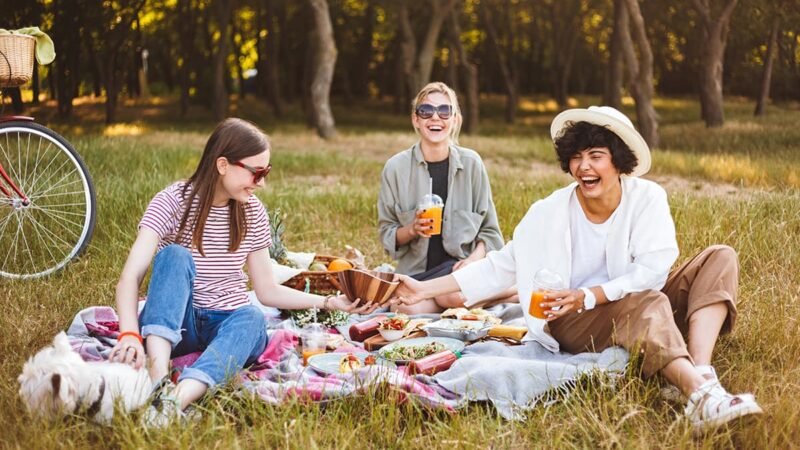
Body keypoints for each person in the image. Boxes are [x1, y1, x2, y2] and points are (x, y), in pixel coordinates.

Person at [393, 106, 762, 432]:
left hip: (627, 302)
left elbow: (654, 268)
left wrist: (590, 295)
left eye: (596, 156)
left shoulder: (647, 198)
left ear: (619, 161)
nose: (584, 166)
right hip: (570, 319)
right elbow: (499, 267)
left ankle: (701, 375)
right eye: (576, 157)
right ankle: (700, 393)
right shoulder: (547, 212)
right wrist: (424, 290)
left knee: (720, 256)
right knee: (646, 302)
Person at [109, 118, 376, 426]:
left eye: (267, 172)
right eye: (256, 172)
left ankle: (175, 400)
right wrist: (128, 334)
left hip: (227, 324)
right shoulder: (172, 201)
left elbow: (267, 291)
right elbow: (130, 277)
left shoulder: (252, 212)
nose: (261, 182)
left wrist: (329, 303)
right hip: (176, 325)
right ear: (223, 164)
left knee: (252, 317)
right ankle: (156, 382)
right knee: (173, 256)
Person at [377, 81, 513, 313]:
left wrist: (471, 262)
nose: (435, 118)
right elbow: (387, 234)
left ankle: (511, 293)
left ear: (455, 120)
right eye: (426, 111)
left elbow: (490, 233)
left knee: (453, 294)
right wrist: (412, 229)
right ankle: (498, 295)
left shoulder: (472, 164)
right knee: (406, 310)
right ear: (415, 120)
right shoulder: (395, 168)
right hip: (418, 275)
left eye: (444, 111)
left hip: (460, 271)